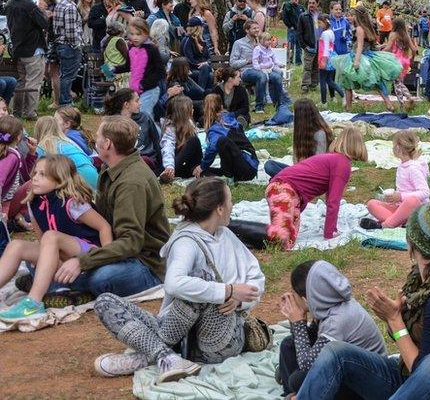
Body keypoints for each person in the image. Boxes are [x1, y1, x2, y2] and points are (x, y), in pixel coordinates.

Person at [297, 202, 430, 399]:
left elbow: (425, 373)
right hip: (406, 378)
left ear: (412, 241)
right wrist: (396, 315)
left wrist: (394, 320)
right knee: (335, 352)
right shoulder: (420, 278)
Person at [92, 177, 264, 383]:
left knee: (199, 280)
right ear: (219, 209)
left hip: (218, 342)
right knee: (104, 301)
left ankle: (150, 355)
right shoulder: (186, 241)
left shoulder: (226, 235)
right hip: (177, 332)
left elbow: (256, 277)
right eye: (229, 200)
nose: (232, 205)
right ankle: (166, 356)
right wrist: (227, 290)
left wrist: (238, 299)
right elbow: (174, 284)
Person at [38, 116, 168, 306]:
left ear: (107, 144)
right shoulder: (111, 168)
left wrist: (82, 261)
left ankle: (56, 283)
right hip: (113, 249)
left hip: (143, 263)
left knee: (102, 277)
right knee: (38, 257)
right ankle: (58, 282)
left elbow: (131, 242)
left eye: (98, 136)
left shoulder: (131, 183)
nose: (94, 140)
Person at [0, 155, 112, 322]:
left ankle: (33, 303)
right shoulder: (34, 202)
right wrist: (39, 257)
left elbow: (104, 227)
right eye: (35, 173)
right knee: (16, 245)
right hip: (60, 258)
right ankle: (56, 288)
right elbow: (42, 239)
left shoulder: (72, 203)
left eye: (42, 175)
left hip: (87, 254)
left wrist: (107, 259)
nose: (35, 178)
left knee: (51, 236)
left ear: (59, 179)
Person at [277, 260, 386, 396]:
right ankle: (293, 394)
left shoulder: (337, 320)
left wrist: (298, 323)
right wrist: (298, 322)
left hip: (363, 382)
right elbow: (311, 338)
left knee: (297, 379)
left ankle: (297, 393)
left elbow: (307, 365)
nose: (292, 298)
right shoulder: (330, 303)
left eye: (294, 294)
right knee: (288, 345)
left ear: (306, 299)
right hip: (343, 365)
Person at [266, 128, 368, 246]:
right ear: (359, 146)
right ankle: (242, 231)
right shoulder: (342, 164)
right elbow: (333, 201)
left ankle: (248, 232)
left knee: (289, 236)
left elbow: (330, 197)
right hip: (282, 189)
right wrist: (329, 233)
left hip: (284, 191)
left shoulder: (333, 159)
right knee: (281, 240)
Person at [332, 5, 403, 112]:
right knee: (377, 81)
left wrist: (356, 61)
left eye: (354, 15)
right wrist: (379, 47)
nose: (352, 17)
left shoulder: (360, 29)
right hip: (369, 55)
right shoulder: (368, 27)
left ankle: (349, 108)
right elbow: (371, 43)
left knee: (347, 81)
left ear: (358, 16)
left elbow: (360, 46)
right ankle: (388, 104)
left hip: (359, 56)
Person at [362, 130, 430, 229]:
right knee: (372, 204)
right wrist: (394, 198)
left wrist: (400, 196)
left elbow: (425, 193)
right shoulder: (402, 165)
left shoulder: (413, 168)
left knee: (411, 201)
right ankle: (399, 222)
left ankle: (384, 225)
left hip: (417, 209)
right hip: (401, 208)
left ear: (398, 148)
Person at [5, 0, 48, 120]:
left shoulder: (9, 5)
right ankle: (30, 112)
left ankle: (17, 110)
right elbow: (44, 24)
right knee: (33, 82)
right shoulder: (30, 6)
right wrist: (42, 11)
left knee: (21, 82)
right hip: (33, 48)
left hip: (18, 49)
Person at [231, 20, 290, 114]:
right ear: (247, 30)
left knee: (277, 77)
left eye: (258, 28)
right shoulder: (239, 43)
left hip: (263, 69)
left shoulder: (261, 42)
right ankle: (259, 106)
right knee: (261, 76)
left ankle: (280, 104)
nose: (257, 30)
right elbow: (232, 63)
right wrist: (247, 60)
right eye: (254, 28)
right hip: (247, 70)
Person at [196, 94, 258, 182]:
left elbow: (212, 148)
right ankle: (226, 173)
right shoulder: (229, 117)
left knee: (222, 141)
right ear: (221, 107)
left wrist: (203, 166)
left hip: (245, 169)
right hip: (251, 163)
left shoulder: (215, 129)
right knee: (205, 172)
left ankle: (228, 175)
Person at [264, 98, 333, 177]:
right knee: (270, 165)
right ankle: (286, 179)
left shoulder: (320, 134)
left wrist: (301, 169)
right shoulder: (301, 132)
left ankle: (286, 180)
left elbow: (319, 164)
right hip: (301, 171)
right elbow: (296, 159)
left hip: (313, 176)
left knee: (274, 171)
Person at [114, 18, 166, 117]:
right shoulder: (131, 48)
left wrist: (144, 84)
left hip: (150, 90)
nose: (134, 37)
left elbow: (161, 72)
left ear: (146, 34)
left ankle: (154, 132)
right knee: (139, 116)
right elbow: (129, 66)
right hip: (135, 91)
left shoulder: (152, 49)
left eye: (138, 34)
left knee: (144, 116)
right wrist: (115, 69)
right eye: (132, 34)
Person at [104, 88, 163, 172]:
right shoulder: (113, 123)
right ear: (126, 104)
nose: (140, 103)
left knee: (144, 160)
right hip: (123, 160)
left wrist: (161, 168)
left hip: (145, 159)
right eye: (137, 101)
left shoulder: (145, 118)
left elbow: (156, 141)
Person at [34, 116, 98, 188]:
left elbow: (39, 172)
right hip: (94, 175)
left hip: (79, 179)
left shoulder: (43, 145)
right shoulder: (67, 141)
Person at [51, 0, 84, 106]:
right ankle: (65, 101)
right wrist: (76, 45)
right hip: (69, 46)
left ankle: (62, 100)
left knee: (64, 74)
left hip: (59, 43)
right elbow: (70, 31)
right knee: (68, 76)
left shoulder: (59, 4)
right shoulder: (70, 7)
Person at [159, 96, 202, 183]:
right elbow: (168, 147)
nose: (193, 110)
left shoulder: (190, 123)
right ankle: (168, 173)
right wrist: (170, 166)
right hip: (176, 165)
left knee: (194, 140)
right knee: (193, 140)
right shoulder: (170, 128)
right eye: (191, 108)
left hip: (190, 164)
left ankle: (198, 169)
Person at [385, 17, 419, 109]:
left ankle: (405, 100)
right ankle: (404, 101)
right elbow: (414, 49)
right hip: (404, 60)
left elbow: (388, 48)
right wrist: (412, 58)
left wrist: (380, 52)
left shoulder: (393, 34)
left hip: (396, 60)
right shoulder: (406, 36)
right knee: (400, 81)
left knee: (397, 83)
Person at [180, 17, 214, 91]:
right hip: (192, 69)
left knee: (209, 73)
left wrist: (206, 62)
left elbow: (209, 57)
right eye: (202, 26)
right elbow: (188, 59)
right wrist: (200, 64)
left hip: (204, 68)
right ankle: (201, 92)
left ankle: (205, 94)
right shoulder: (187, 40)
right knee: (208, 74)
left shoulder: (202, 39)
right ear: (198, 28)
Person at [317, 14, 344, 105]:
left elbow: (325, 48)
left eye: (320, 23)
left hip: (325, 58)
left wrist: (324, 60)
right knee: (329, 80)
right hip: (332, 57)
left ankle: (324, 102)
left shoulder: (325, 34)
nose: (319, 25)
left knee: (322, 81)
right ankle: (342, 94)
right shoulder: (331, 32)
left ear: (325, 23)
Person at [298, 0, 322, 93]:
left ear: (317, 3)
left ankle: (314, 84)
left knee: (316, 66)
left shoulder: (320, 16)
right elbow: (299, 32)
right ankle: (305, 85)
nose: (311, 5)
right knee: (307, 67)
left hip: (319, 45)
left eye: (313, 3)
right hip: (309, 45)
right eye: (309, 3)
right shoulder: (303, 16)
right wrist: (304, 46)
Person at [282, 0, 305, 65]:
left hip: (299, 30)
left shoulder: (301, 7)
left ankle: (298, 62)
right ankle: (289, 61)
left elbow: (305, 18)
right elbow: (284, 17)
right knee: (290, 46)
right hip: (292, 29)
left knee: (299, 47)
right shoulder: (288, 6)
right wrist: (289, 26)